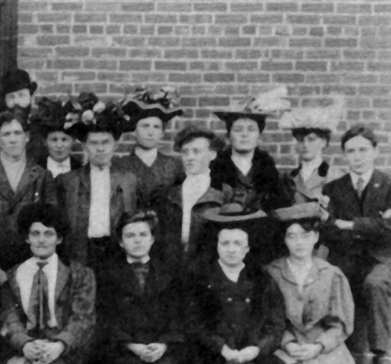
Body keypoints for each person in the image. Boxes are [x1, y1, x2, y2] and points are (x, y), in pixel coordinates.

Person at [188, 203, 314, 364]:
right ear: (217, 246)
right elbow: (194, 323)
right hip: (214, 356)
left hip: (256, 353)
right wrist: (222, 349)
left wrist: (256, 349)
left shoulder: (262, 279)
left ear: (247, 248)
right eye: (225, 243)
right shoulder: (200, 278)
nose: (231, 248)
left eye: (238, 243)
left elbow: (275, 324)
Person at [265, 203, 369, 364]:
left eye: (305, 235)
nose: (299, 242)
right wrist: (288, 344)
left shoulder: (331, 274)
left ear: (316, 237)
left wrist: (319, 347)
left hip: (324, 346)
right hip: (284, 345)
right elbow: (268, 319)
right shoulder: (272, 273)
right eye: (292, 236)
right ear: (284, 240)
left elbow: (341, 323)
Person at [0, 203, 95, 364]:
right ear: (26, 237)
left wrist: (60, 345)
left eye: (48, 233)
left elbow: (83, 318)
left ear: (59, 238)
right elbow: (10, 319)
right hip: (29, 346)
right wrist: (25, 343)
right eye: (35, 233)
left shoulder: (79, 274)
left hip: (67, 349)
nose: (42, 240)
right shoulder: (15, 275)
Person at [96, 210, 186, 364]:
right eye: (130, 235)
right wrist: (131, 345)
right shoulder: (107, 276)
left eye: (143, 234)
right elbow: (106, 319)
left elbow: (178, 316)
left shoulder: (169, 274)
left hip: (162, 347)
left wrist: (164, 344)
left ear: (152, 239)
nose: (137, 240)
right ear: (120, 241)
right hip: (123, 349)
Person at [321, 125, 391, 364]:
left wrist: (350, 224)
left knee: (375, 282)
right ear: (344, 155)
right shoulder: (333, 189)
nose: (357, 156)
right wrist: (375, 224)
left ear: (375, 151)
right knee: (335, 281)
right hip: (346, 258)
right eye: (351, 151)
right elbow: (328, 229)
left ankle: (382, 353)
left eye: (363, 149)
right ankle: (342, 350)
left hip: (382, 259)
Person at [0, 111, 58, 291]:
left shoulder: (41, 176)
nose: (12, 139)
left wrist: (37, 263)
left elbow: (51, 224)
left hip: (33, 266)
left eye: (17, 133)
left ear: (26, 137)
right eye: (6, 134)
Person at [211, 87, 294, 264]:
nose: (244, 134)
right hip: (225, 252)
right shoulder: (213, 171)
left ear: (259, 136)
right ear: (228, 135)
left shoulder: (273, 176)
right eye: (238, 129)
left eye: (251, 129)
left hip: (262, 251)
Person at [56, 99, 140, 269]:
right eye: (94, 143)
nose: (100, 149)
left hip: (116, 251)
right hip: (81, 251)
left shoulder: (129, 180)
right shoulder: (68, 181)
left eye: (105, 142)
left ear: (115, 144)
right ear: (85, 146)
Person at [154, 127, 225, 268]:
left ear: (212, 154)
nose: (190, 157)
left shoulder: (224, 195)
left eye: (196, 151)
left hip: (208, 271)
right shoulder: (168, 195)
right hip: (171, 270)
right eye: (185, 152)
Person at [114, 86, 185, 207]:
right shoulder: (120, 165)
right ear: (134, 130)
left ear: (162, 133)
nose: (150, 132)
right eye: (145, 126)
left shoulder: (174, 166)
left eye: (156, 127)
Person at [279, 98, 346, 205]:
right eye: (301, 140)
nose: (305, 145)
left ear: (323, 142)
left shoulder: (335, 177)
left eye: (311, 139)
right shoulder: (290, 178)